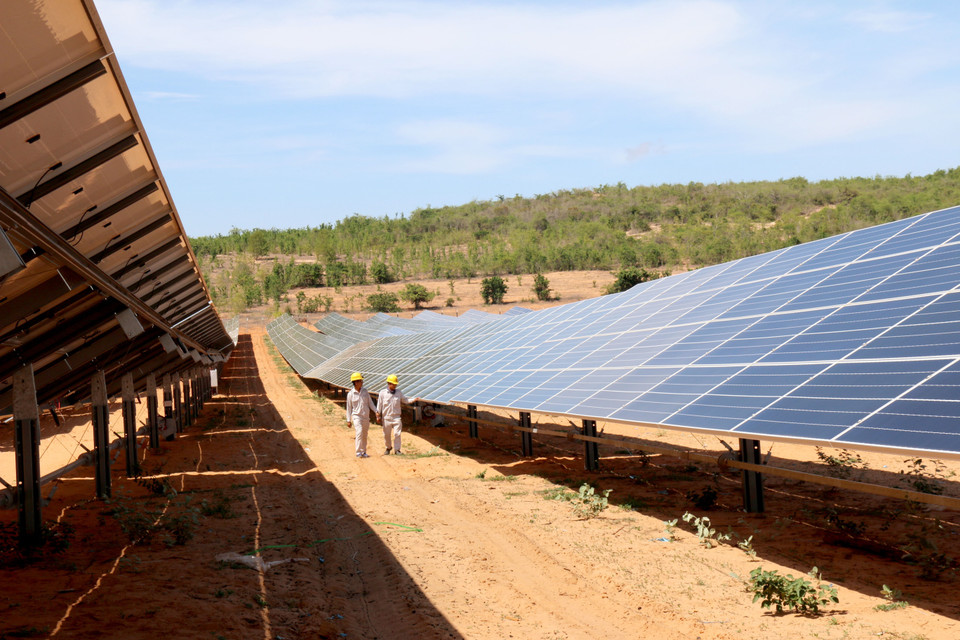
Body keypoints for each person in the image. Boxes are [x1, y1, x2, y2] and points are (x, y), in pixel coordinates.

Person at [376, 374, 418, 455]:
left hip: (396, 417)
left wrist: (413, 400)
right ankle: (388, 447)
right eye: (393, 384)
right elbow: (379, 405)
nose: (395, 385)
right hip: (386, 418)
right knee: (386, 435)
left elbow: (405, 400)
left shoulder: (399, 392)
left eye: (395, 384)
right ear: (389, 383)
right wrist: (378, 415)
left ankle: (397, 450)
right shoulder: (383, 393)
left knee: (397, 434)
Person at [345, 372, 377, 458]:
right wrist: (348, 420)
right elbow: (349, 408)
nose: (362, 382)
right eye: (360, 381)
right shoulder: (350, 394)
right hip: (357, 416)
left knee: (365, 434)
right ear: (355, 382)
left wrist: (376, 411)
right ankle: (358, 452)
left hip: (366, 416)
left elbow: (370, 403)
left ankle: (364, 451)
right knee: (359, 432)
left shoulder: (365, 391)